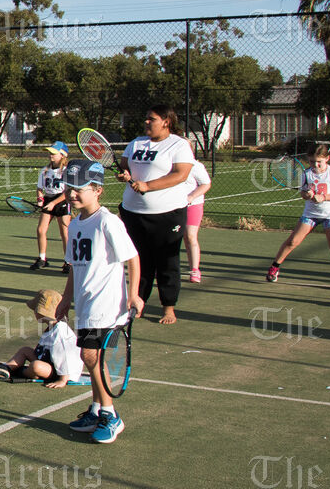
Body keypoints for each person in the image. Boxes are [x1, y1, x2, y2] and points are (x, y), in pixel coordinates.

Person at [55, 159, 142, 444]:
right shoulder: (76, 223)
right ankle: (95, 409)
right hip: (85, 304)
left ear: (98, 190)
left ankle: (109, 414)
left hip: (106, 306)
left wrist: (134, 294)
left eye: (79, 189)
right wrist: (66, 300)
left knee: (92, 357)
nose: (72, 194)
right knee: (88, 356)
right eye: (69, 188)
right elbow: (73, 267)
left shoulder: (107, 221)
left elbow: (132, 258)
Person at [115, 105, 195, 325]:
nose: (146, 122)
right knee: (139, 260)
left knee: (167, 261)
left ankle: (168, 308)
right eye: (146, 119)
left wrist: (148, 186)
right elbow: (124, 168)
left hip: (167, 214)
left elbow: (181, 175)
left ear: (166, 122)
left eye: (152, 119)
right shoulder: (135, 143)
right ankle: (136, 303)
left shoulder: (179, 145)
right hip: (133, 213)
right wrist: (124, 176)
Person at [266, 146, 330, 289]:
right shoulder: (306, 174)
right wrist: (307, 195)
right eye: (312, 162)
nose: (315, 165)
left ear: (327, 159)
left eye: (319, 162)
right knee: (292, 241)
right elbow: (303, 193)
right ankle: (274, 267)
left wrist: (324, 197)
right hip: (311, 214)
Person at [0, 289, 84, 387]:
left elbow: (65, 357)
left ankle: (21, 371)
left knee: (36, 366)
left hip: (61, 372)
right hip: (49, 364)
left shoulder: (61, 332)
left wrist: (62, 380)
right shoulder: (51, 327)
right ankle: (6, 368)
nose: (34, 312)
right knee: (25, 350)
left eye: (36, 309)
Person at [31, 142, 72, 273]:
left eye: (54, 153)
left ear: (62, 155)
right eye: (50, 152)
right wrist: (40, 199)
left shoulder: (66, 171)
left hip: (62, 200)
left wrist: (54, 203)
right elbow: (39, 188)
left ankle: (68, 261)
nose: (50, 155)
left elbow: (68, 191)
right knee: (41, 229)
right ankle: (42, 258)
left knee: (64, 232)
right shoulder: (45, 170)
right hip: (48, 199)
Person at [182, 158, 213, 283]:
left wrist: (191, 197)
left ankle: (195, 270)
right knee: (171, 238)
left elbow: (206, 184)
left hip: (193, 205)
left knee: (190, 236)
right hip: (172, 205)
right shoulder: (168, 163)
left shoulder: (196, 166)